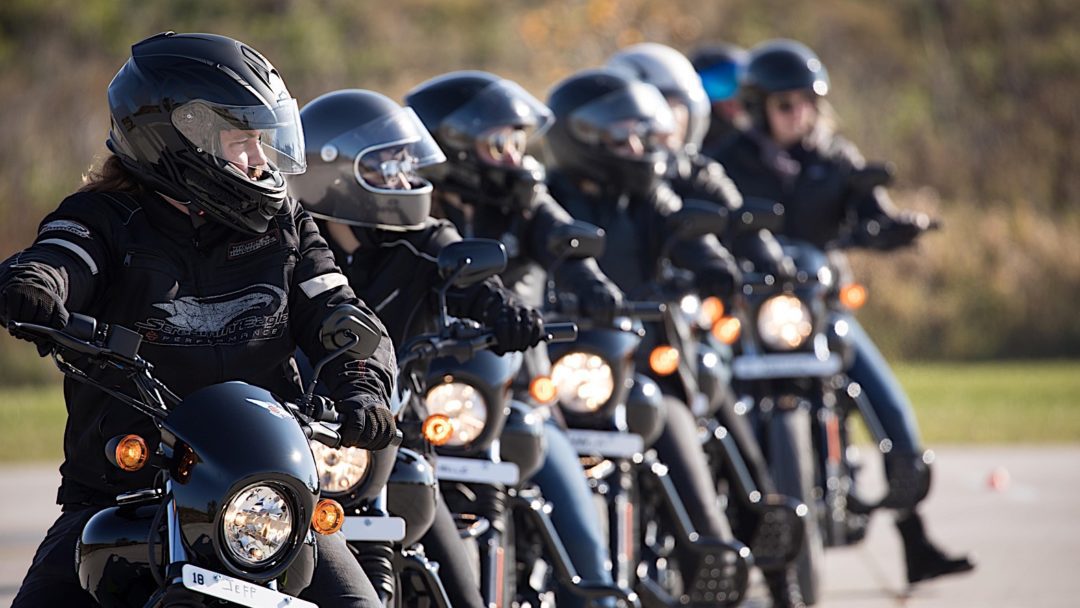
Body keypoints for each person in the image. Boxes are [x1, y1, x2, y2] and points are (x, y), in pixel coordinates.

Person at [0, 32, 398, 607]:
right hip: (127, 491)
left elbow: (337, 310)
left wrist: (362, 384)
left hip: (264, 498)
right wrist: (36, 284)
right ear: (176, 138)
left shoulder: (283, 223)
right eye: (244, 141)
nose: (261, 161)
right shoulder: (102, 219)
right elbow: (63, 256)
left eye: (264, 141)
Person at [712, 38, 975, 586]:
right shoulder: (726, 163)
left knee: (888, 407)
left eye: (807, 102)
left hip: (822, 311)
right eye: (785, 104)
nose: (798, 114)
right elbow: (705, 218)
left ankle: (913, 533)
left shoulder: (835, 157)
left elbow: (869, 209)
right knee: (705, 400)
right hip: (749, 316)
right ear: (760, 107)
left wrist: (892, 226)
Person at [290, 88, 549, 608]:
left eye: (405, 167)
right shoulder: (289, 243)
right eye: (387, 168)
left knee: (461, 587)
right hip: (303, 436)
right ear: (335, 174)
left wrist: (501, 310)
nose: (404, 182)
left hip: (397, 431)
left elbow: (465, 274)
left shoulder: (424, 240)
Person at [403, 70, 626, 608]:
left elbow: (562, 242)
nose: (514, 156)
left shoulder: (526, 202)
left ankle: (596, 595)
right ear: (452, 146)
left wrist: (590, 283)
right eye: (498, 142)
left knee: (563, 493)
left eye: (518, 142)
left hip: (517, 394)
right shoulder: (411, 209)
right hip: (422, 396)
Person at [608, 41, 807, 607]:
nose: (664, 120)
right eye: (652, 105)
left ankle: (768, 564)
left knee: (714, 392)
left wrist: (764, 263)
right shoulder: (594, 185)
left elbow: (738, 226)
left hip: (675, 336)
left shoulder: (696, 172)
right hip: (602, 349)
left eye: (673, 104)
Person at [544, 67, 748, 603]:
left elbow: (685, 231)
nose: (637, 147)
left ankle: (710, 559)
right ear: (582, 137)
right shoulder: (546, 197)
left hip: (643, 359)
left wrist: (713, 265)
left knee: (672, 424)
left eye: (641, 134)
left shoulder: (650, 197)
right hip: (558, 363)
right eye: (623, 136)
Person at [689, 43, 750, 157]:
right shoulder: (687, 144)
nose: (733, 97)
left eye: (741, 86)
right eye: (720, 86)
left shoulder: (756, 145)